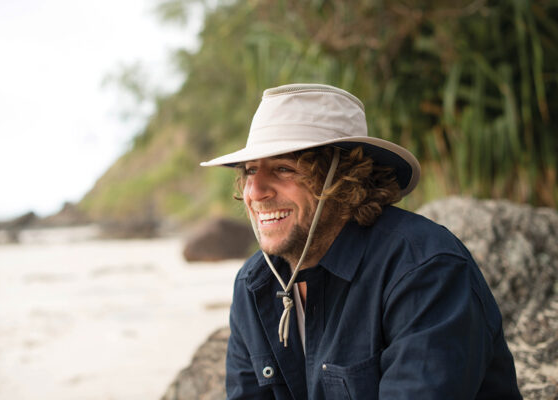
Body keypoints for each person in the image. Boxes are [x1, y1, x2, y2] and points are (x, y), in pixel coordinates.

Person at [201, 84, 521, 399]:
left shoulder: (424, 269)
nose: (254, 192)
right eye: (251, 170)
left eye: (284, 169)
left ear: (344, 178)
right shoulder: (254, 284)